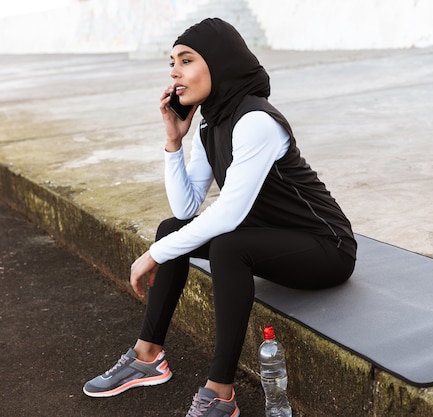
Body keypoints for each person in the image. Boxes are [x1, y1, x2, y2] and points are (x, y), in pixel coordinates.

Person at [82, 17, 357, 417]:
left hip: (326, 248)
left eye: (186, 60)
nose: (175, 72)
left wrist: (154, 255)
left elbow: (228, 214)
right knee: (171, 229)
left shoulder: (256, 121)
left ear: (220, 63)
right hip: (273, 237)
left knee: (226, 246)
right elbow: (186, 209)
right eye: (171, 62)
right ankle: (148, 356)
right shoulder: (213, 122)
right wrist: (173, 141)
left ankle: (220, 393)